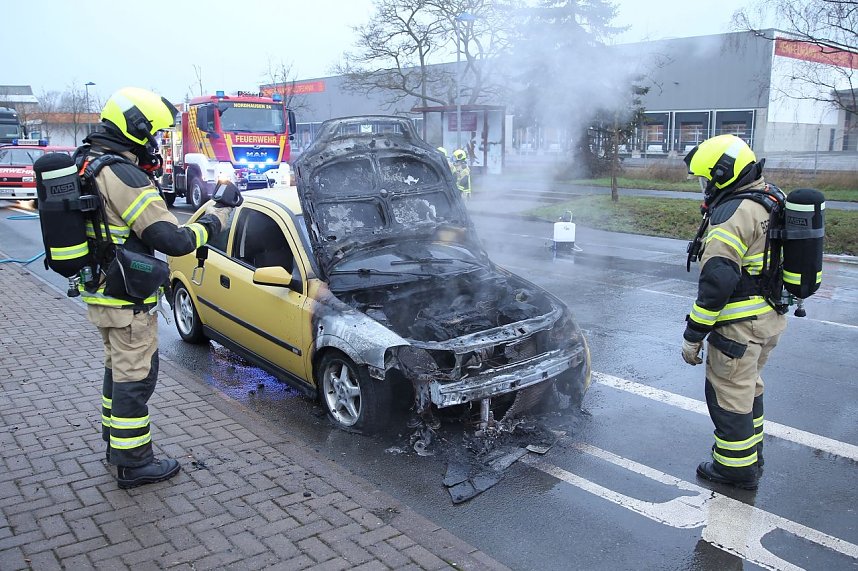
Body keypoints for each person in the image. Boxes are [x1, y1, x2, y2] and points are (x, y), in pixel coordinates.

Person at [79, 87, 232, 489]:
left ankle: (116, 446)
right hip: (126, 298)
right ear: (136, 128)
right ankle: (135, 463)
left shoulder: (89, 163)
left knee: (117, 372)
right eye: (151, 134)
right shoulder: (122, 175)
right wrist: (213, 222)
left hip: (103, 290)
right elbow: (174, 240)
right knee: (136, 377)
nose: (154, 143)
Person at [681, 134, 787, 490]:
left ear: (723, 173)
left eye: (707, 177)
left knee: (727, 394)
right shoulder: (770, 197)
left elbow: (717, 283)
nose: (705, 185)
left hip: (739, 327)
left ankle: (735, 469)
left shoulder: (732, 214)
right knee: (750, 388)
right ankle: (751, 454)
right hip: (769, 319)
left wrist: (693, 336)